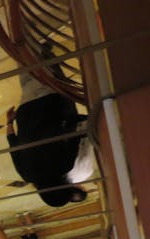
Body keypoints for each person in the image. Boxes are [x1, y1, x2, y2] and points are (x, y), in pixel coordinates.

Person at [6, 53, 93, 207]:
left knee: (47, 68)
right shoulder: (27, 175)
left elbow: (75, 137)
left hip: (52, 105)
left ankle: (35, 42)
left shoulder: (64, 166)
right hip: (27, 111)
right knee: (27, 73)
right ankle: (19, 42)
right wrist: (9, 122)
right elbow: (13, 145)